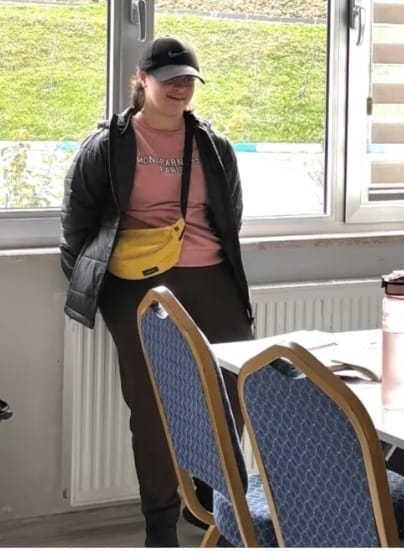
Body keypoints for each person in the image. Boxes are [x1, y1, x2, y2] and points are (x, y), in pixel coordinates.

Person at [60, 37, 254, 547]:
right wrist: (101, 292)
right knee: (151, 408)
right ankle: (160, 526)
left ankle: (214, 508)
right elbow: (77, 224)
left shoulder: (213, 146)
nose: (179, 88)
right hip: (136, 285)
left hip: (212, 277)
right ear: (141, 80)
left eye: (188, 79)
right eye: (168, 79)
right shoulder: (108, 145)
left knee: (231, 394)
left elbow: (229, 217)